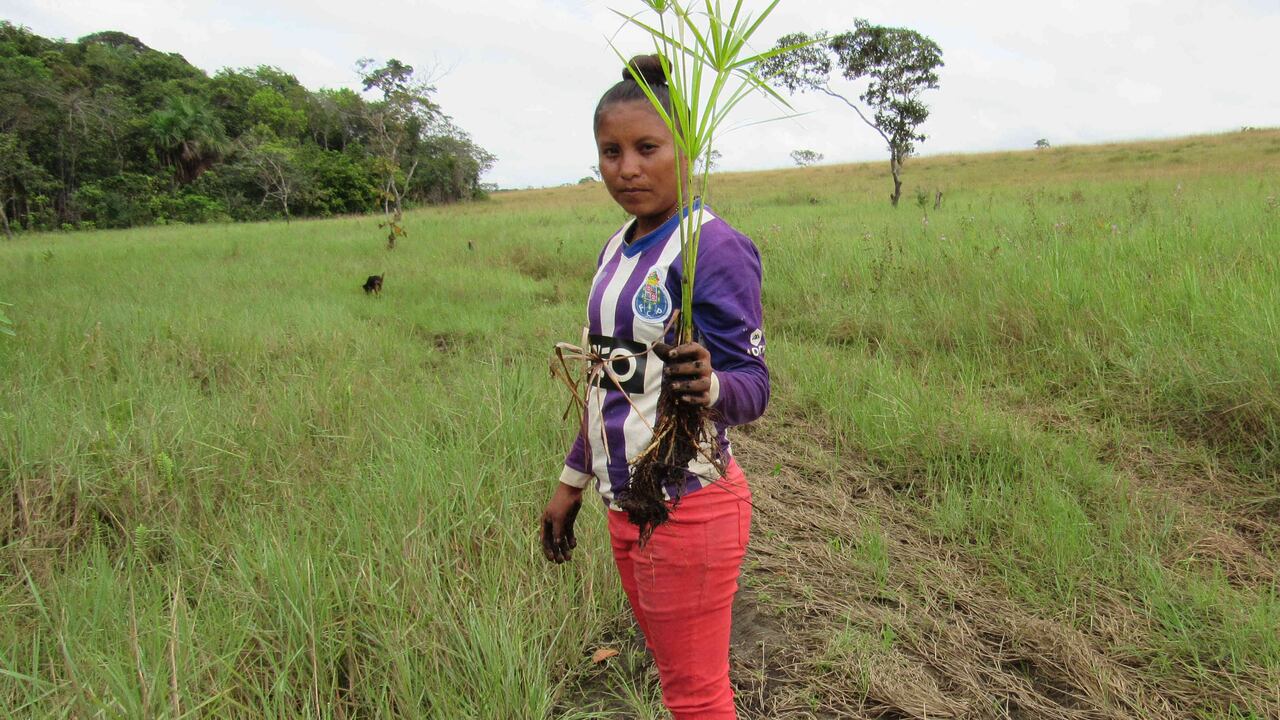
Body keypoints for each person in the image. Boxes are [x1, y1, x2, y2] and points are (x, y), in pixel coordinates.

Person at [540, 54, 769, 720]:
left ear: (688, 147)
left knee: (696, 697)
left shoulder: (710, 247)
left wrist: (711, 384)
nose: (627, 168)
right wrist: (570, 484)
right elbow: (603, 381)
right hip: (628, 504)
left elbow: (753, 387)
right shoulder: (618, 245)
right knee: (678, 683)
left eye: (647, 147)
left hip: (688, 506)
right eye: (610, 151)